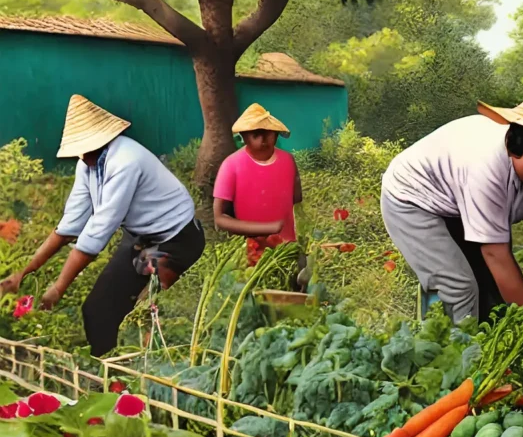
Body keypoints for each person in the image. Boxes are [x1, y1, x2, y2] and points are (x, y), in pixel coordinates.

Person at [0, 95, 204, 356]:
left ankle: (140, 369)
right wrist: (22, 272)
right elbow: (69, 227)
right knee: (97, 309)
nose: (82, 155)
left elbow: (96, 234)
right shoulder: (87, 165)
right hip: (141, 237)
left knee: (148, 313)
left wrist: (58, 288)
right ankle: (105, 374)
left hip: (177, 240)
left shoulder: (125, 162)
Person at [381, 89, 523, 322]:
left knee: (494, 302)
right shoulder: (485, 169)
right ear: (512, 151)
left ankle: (486, 345)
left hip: (458, 197)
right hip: (413, 197)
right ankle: (454, 352)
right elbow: (495, 253)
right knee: (458, 287)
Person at [212, 104, 305, 280]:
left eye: (268, 134)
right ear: (244, 137)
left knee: (288, 294)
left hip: (285, 250)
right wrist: (267, 228)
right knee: (252, 295)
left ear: (276, 135)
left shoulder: (287, 161)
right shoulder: (231, 165)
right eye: (255, 135)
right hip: (248, 252)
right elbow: (220, 218)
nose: (263, 141)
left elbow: (296, 199)